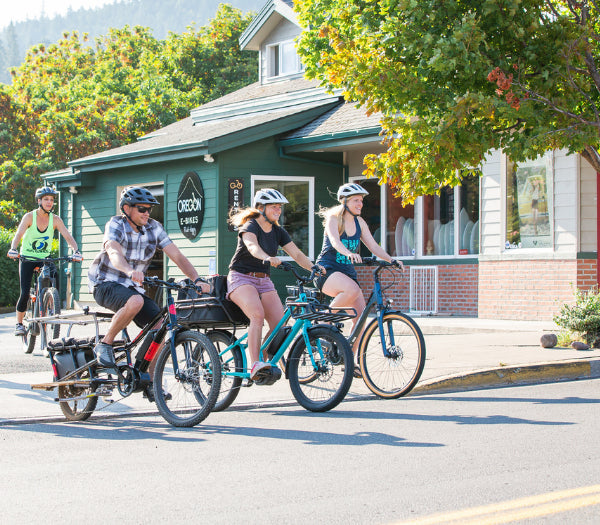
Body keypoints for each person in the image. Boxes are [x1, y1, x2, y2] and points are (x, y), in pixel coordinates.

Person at [88, 186, 210, 374]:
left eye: (149, 209)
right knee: (135, 301)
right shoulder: (116, 224)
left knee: (160, 327)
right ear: (127, 209)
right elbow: (113, 251)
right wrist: (129, 270)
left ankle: (150, 378)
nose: (147, 213)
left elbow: (177, 256)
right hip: (105, 283)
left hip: (132, 288)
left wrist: (196, 279)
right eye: (142, 209)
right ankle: (105, 344)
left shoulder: (154, 227)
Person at [227, 188, 325, 381]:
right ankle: (255, 364)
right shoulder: (250, 226)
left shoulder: (278, 231)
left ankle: (263, 360)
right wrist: (267, 257)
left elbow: (296, 254)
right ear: (261, 208)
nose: (278, 211)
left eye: (279, 207)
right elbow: (252, 246)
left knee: (280, 323)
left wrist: (313, 267)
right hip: (241, 278)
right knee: (257, 315)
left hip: (264, 280)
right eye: (274, 207)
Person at [314, 182, 402, 377]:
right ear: (345, 201)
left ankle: (349, 361)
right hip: (327, 271)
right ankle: (323, 322)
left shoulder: (360, 222)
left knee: (360, 320)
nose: (360, 204)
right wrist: (348, 253)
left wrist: (391, 260)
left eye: (361, 201)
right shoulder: (334, 219)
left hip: (347, 273)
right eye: (356, 200)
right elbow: (335, 242)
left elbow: (373, 246)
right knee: (352, 290)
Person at [7, 186, 82, 337]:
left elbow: (68, 236)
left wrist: (76, 251)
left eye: (52, 200)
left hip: (44, 259)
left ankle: (51, 303)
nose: (49, 202)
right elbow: (18, 234)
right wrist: (13, 249)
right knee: (24, 293)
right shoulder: (29, 217)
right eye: (46, 199)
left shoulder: (55, 219)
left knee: (55, 279)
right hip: (27, 258)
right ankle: (19, 324)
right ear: (39, 201)